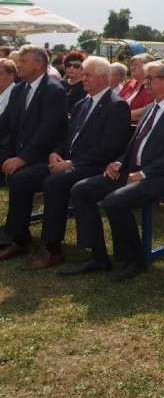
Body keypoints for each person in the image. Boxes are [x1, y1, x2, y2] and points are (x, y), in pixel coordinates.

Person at [63, 60, 164, 281]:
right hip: (133, 172)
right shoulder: (150, 109)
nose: (144, 83)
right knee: (81, 190)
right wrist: (118, 161)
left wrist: (143, 174)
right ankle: (97, 256)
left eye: (149, 78)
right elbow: (134, 144)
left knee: (115, 200)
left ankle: (133, 259)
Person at [4, 57, 131, 269]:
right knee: (20, 178)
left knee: (54, 183)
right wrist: (55, 152)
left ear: (103, 78)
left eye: (87, 74)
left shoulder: (116, 106)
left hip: (95, 165)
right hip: (68, 162)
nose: (83, 78)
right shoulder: (83, 103)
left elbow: (109, 148)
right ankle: (19, 238)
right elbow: (65, 135)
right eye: (83, 74)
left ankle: (54, 249)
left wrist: (72, 163)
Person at [0, 46, 70, 261]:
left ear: (38, 64)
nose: (18, 64)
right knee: (16, 174)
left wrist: (23, 158)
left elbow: (47, 131)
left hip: (45, 157)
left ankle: (21, 239)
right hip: (20, 153)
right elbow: (7, 123)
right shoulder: (20, 89)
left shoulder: (53, 90)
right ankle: (15, 234)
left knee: (20, 178)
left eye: (23, 61)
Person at [118, 53, 156, 124]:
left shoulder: (153, 86)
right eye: (131, 65)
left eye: (135, 65)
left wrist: (121, 115)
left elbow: (149, 109)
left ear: (147, 67)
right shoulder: (129, 84)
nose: (132, 68)